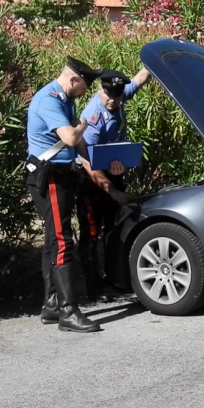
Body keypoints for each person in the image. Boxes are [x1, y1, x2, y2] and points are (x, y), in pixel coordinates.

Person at [24, 56, 127, 333]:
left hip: (62, 175)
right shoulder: (49, 100)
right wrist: (80, 124)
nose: (86, 91)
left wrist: (96, 165)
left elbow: (78, 143)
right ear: (73, 80)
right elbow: (71, 137)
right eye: (85, 84)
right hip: (51, 177)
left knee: (51, 241)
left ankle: (52, 304)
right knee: (61, 241)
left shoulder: (65, 99)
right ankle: (68, 312)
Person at [75, 66, 155, 301]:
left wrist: (160, 50)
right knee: (91, 234)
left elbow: (140, 78)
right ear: (100, 89)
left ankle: (116, 280)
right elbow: (89, 163)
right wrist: (113, 191)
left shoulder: (119, 97)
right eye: (108, 94)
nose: (112, 100)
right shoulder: (93, 118)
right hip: (91, 178)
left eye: (117, 95)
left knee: (115, 229)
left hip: (112, 170)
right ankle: (94, 288)